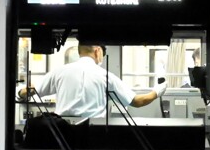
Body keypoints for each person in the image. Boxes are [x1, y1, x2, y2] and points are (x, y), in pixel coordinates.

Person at [18, 44, 167, 119]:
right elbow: (137, 101)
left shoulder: (59, 72)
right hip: (93, 135)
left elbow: (28, 92)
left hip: (63, 136)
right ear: (97, 51)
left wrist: (20, 92)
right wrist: (158, 91)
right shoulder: (104, 76)